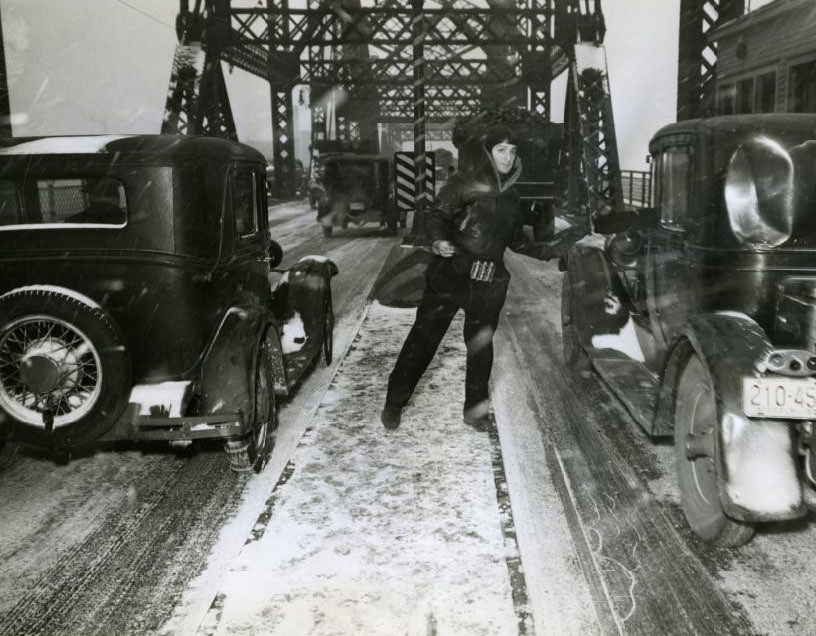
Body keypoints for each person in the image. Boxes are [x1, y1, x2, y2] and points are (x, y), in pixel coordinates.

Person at [381, 123, 546, 432]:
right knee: (423, 342)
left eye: (512, 151)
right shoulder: (462, 183)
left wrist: (558, 251)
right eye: (501, 150)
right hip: (450, 277)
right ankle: (394, 403)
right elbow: (436, 215)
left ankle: (475, 412)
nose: (508, 157)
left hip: (488, 283)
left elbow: (518, 241)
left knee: (481, 349)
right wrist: (438, 240)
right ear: (487, 153)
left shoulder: (512, 197)